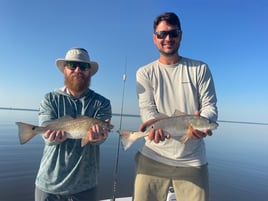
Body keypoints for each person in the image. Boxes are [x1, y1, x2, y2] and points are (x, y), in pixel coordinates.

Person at [134, 12, 218, 201]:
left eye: (173, 33)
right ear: (154, 38)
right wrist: (152, 126)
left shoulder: (200, 69)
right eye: (162, 34)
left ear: (181, 35)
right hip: (153, 155)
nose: (168, 38)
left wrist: (206, 122)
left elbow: (209, 106)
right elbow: (147, 109)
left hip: (192, 159)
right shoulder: (144, 72)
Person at [34, 47, 112, 201]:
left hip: (85, 187)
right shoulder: (50, 99)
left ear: (89, 71)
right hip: (49, 185)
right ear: (65, 69)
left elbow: (100, 140)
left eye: (83, 66)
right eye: (72, 65)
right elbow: (46, 132)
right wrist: (51, 137)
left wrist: (98, 138)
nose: (78, 70)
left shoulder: (102, 103)